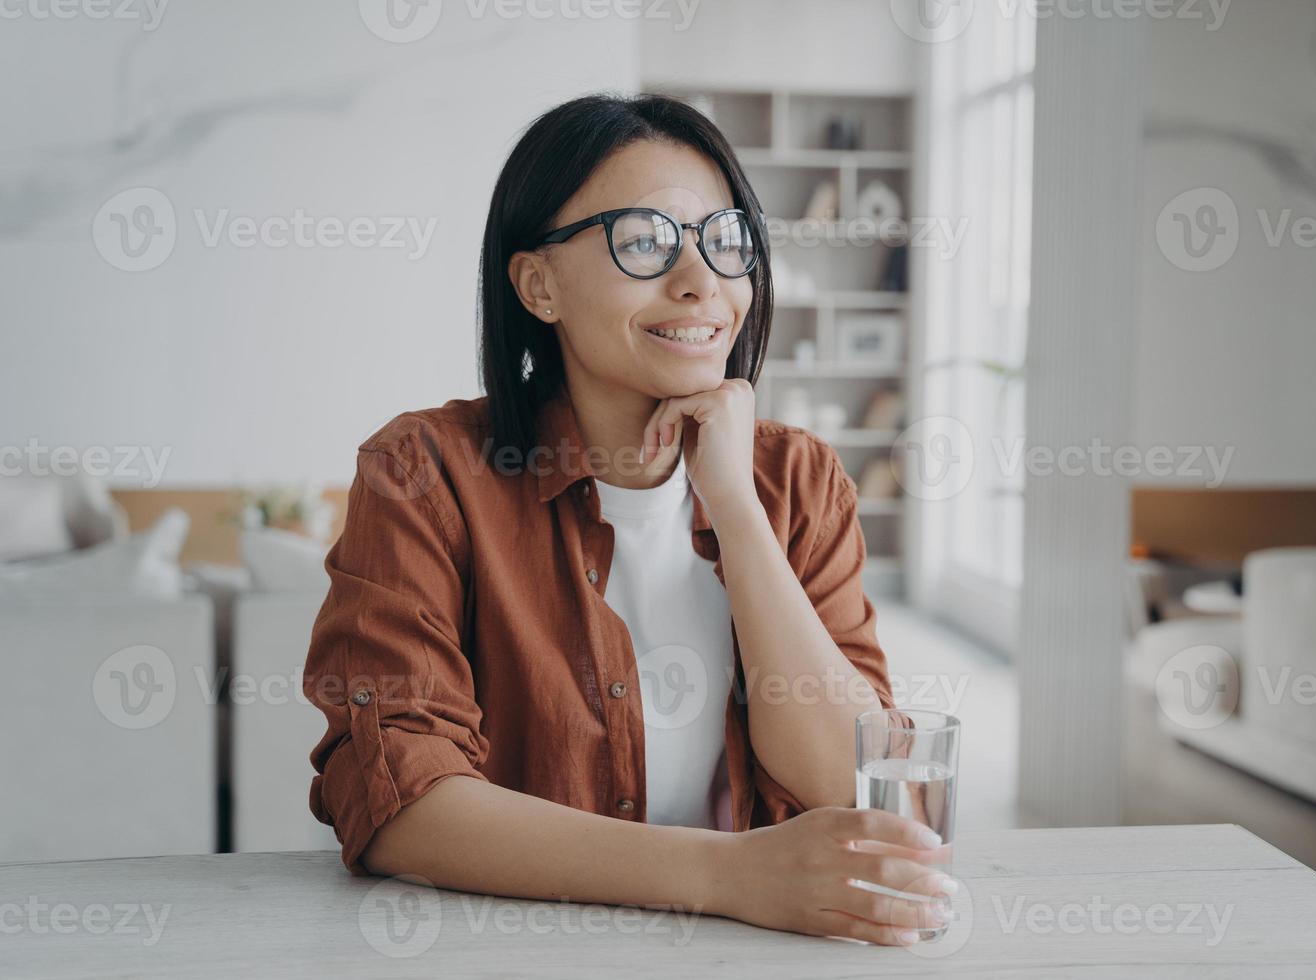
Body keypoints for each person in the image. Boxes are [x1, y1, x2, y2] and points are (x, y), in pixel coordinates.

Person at [303, 92, 954, 945]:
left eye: (724, 240)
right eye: (643, 240)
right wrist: (725, 875)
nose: (702, 281)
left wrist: (736, 509)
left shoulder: (797, 479)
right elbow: (401, 804)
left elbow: (857, 782)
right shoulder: (423, 472)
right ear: (539, 283)